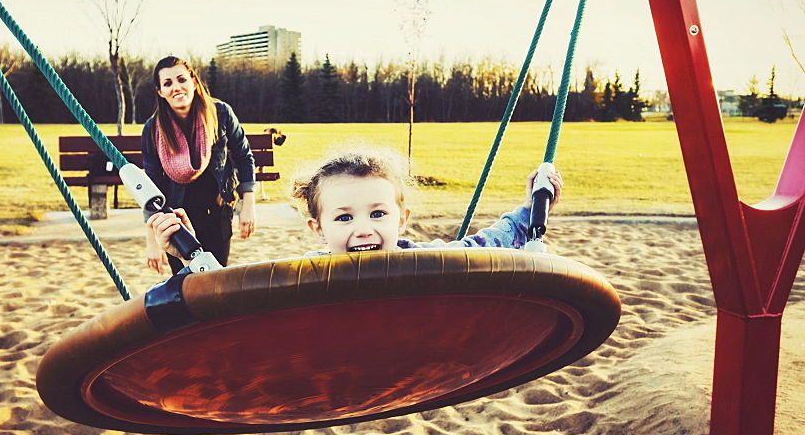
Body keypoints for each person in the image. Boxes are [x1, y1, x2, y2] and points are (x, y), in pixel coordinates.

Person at [148, 144, 562, 263]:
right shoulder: (303, 275)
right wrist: (187, 253)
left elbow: (486, 246)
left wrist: (532, 210)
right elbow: (228, 299)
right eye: (344, 217)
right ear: (318, 227)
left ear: (403, 220)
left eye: (378, 214)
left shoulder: (422, 260)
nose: (364, 229)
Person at [142, 55, 256, 274]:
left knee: (216, 278)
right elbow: (151, 189)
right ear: (160, 92)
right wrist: (152, 239)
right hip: (177, 220)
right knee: (185, 283)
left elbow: (244, 157)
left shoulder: (220, 113)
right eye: (168, 83)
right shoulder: (153, 130)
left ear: (193, 81)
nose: (176, 87)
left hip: (217, 212)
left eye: (181, 79)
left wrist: (248, 205)